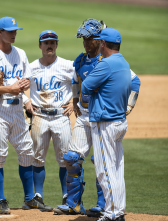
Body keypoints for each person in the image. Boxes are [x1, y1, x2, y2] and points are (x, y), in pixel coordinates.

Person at [53, 19, 141, 217]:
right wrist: (75, 99)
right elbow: (77, 80)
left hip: (102, 119)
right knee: (73, 159)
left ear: (100, 41)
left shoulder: (106, 62)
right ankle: (74, 203)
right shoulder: (82, 60)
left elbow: (134, 81)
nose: (85, 42)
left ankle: (105, 207)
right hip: (87, 116)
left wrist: (129, 105)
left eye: (90, 38)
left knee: (103, 166)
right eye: (83, 38)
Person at [0, 16, 53, 214]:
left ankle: (29, 199)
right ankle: (1, 200)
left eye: (15, 30)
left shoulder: (20, 53)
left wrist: (25, 85)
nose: (14, 34)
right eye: (10, 31)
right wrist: (7, 89)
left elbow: (25, 79)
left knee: (27, 153)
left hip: (18, 109)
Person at [81, 28, 131, 221]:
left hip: (105, 124)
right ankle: (118, 211)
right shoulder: (123, 62)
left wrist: (96, 86)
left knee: (104, 171)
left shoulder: (106, 65)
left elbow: (85, 87)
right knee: (117, 170)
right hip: (119, 122)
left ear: (103, 44)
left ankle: (112, 213)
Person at [23, 30, 74, 208]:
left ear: (57, 45)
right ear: (40, 45)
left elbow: (84, 81)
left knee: (65, 159)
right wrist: (26, 100)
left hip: (61, 116)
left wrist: (75, 102)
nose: (49, 45)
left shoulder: (68, 66)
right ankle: (38, 196)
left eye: (52, 42)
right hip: (40, 117)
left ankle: (67, 195)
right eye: (46, 43)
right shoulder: (31, 67)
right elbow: (17, 84)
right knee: (37, 158)